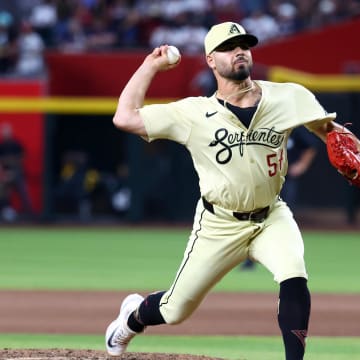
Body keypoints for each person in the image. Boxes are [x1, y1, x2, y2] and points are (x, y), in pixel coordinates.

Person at [105, 22, 360, 360]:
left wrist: (348, 143)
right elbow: (124, 117)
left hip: (272, 216)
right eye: (229, 47)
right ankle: (132, 318)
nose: (239, 51)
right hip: (219, 223)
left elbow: (331, 132)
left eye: (244, 44)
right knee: (175, 310)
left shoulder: (289, 96)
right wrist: (150, 65)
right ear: (211, 60)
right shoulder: (192, 113)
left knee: (294, 274)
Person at [241, 126, 317, 270]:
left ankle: (286, 259)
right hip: (265, 182)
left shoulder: (293, 128)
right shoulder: (264, 127)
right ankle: (250, 259)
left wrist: (302, 165)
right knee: (257, 220)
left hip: (286, 181)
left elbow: (311, 146)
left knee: (284, 221)